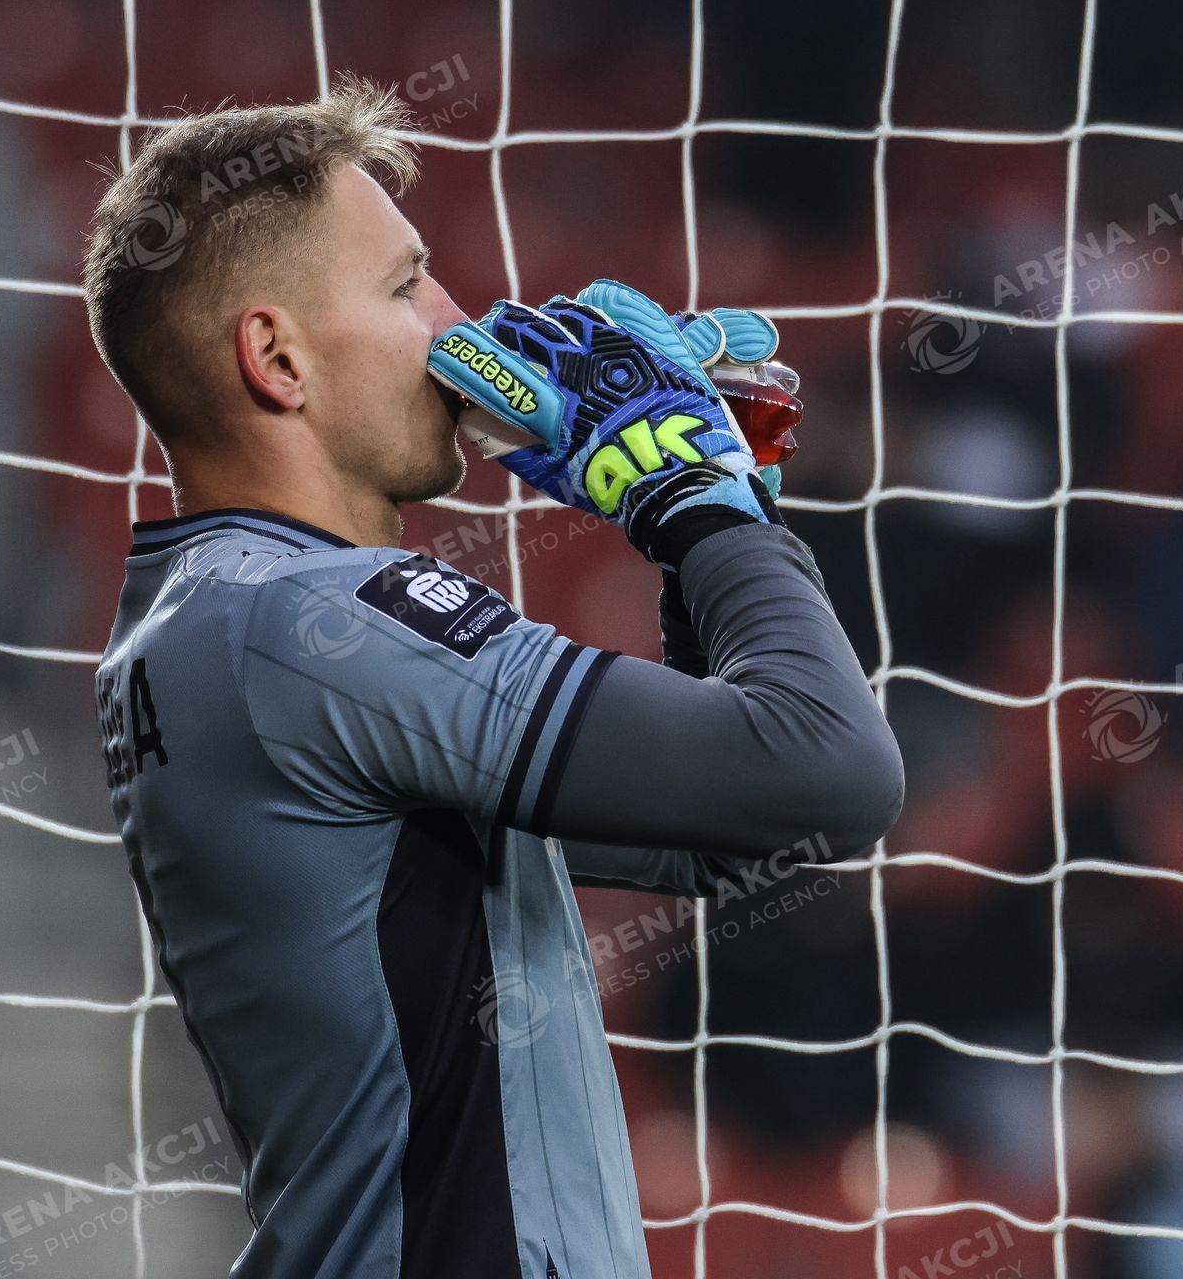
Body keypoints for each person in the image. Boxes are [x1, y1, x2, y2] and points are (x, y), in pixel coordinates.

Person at [83, 78, 902, 1279]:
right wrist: (692, 494)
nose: (457, 323)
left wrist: (694, 521)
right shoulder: (309, 619)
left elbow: (732, 830)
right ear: (278, 357)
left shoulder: (212, 612)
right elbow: (833, 771)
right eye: (406, 284)